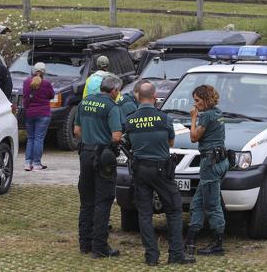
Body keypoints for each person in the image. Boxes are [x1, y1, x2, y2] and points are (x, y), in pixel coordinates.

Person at [125, 82, 195, 266]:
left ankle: (151, 256)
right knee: (174, 210)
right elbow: (171, 142)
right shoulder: (164, 118)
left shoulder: (130, 119)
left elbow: (129, 143)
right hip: (162, 169)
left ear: (138, 97)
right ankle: (176, 254)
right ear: (155, 97)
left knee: (145, 213)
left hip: (140, 169)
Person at [74, 74, 123, 258]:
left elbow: (77, 131)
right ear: (114, 90)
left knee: (87, 200)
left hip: (85, 153)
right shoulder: (111, 106)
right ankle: (99, 246)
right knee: (103, 200)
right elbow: (116, 136)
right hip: (103, 157)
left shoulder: (84, 102)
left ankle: (84, 243)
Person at [184, 84, 229, 256]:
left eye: (197, 101)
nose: (195, 104)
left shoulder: (206, 116)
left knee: (212, 205)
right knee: (197, 203)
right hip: (220, 160)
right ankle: (190, 240)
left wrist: (193, 118)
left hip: (210, 163)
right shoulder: (218, 113)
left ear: (205, 99)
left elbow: (194, 137)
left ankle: (218, 244)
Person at [22, 62, 55, 171]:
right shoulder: (46, 83)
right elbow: (52, 96)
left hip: (30, 113)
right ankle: (36, 164)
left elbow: (25, 98)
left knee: (30, 139)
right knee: (38, 139)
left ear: (33, 70)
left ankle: (27, 163)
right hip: (43, 114)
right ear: (44, 72)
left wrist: (27, 108)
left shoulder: (26, 82)